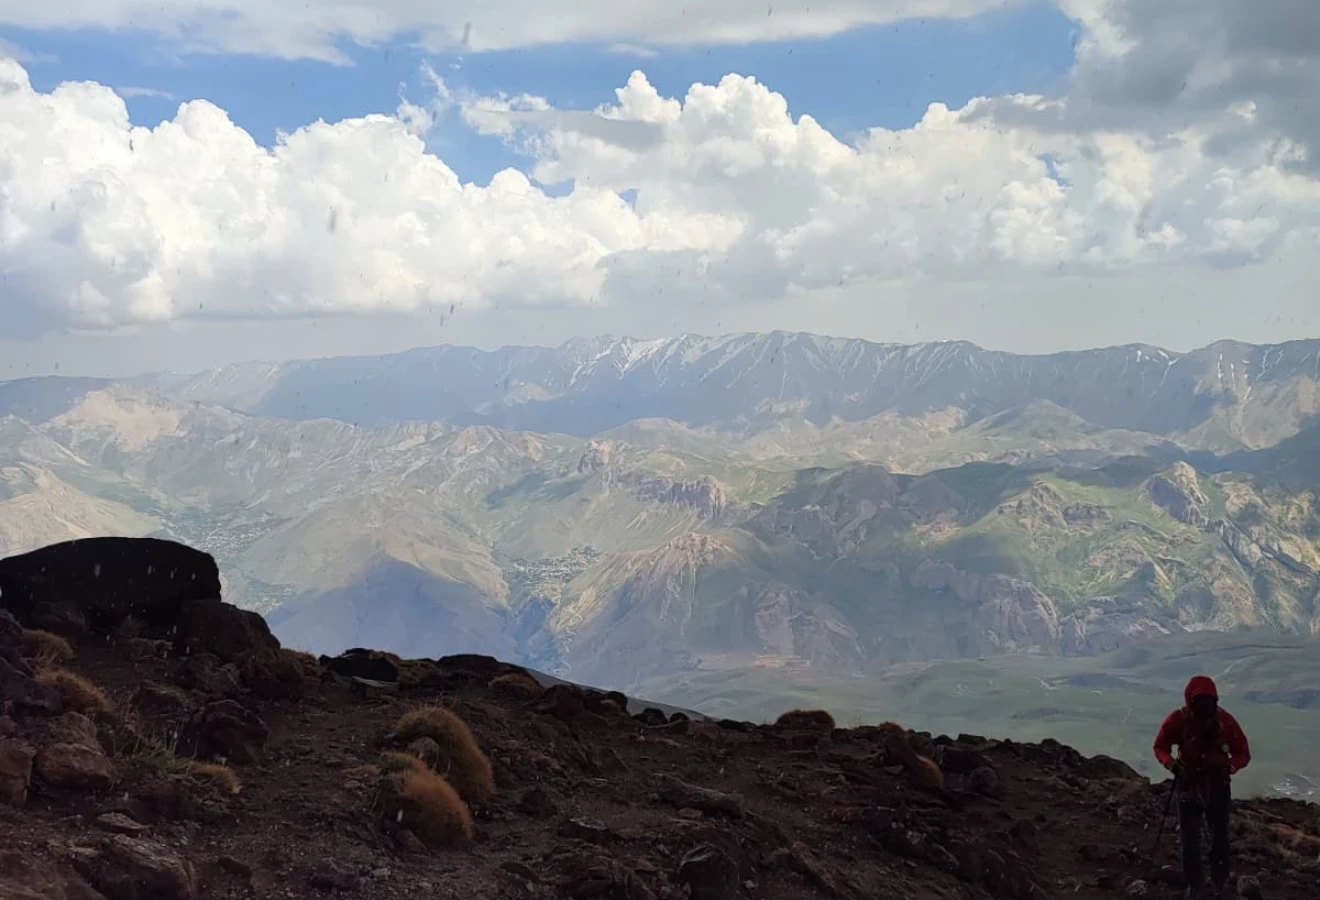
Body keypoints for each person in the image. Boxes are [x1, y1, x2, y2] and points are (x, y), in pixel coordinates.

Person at [1153, 674, 1252, 899]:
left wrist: (1171, 765)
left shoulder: (1184, 719)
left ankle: (1206, 885)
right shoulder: (1222, 720)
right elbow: (1161, 746)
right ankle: (1208, 884)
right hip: (1203, 786)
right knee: (1204, 838)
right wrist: (1232, 766)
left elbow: (1160, 747)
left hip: (1203, 785)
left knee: (1206, 839)